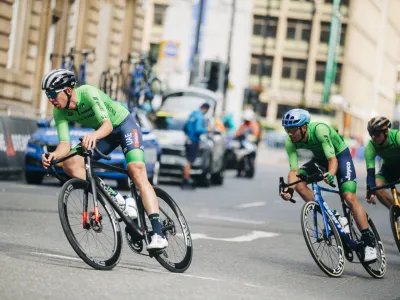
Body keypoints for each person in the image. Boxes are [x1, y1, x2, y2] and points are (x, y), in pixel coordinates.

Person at [40, 69, 168, 251]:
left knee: (136, 171)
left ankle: (158, 234)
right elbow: (64, 145)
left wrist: (93, 135)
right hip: (104, 134)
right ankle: (119, 200)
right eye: (47, 95)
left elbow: (107, 125)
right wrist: (53, 156)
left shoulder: (88, 93)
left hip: (123, 125)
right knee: (70, 163)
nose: (50, 99)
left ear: (68, 90)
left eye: (52, 94)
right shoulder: (59, 111)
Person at [279, 108, 377, 262]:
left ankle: (369, 242)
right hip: (320, 160)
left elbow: (333, 161)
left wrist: (330, 174)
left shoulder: (319, 130)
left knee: (349, 197)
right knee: (298, 183)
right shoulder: (290, 141)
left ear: (303, 127)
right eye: (287, 130)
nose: (289, 134)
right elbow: (293, 171)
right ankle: (335, 216)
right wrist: (289, 189)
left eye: (292, 130)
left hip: (340, 157)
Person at [364, 116, 399, 209]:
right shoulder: (370, 147)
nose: (373, 137)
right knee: (377, 186)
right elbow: (370, 173)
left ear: (386, 132)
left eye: (376, 133)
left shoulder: (397, 136)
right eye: (371, 134)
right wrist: (370, 190)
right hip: (389, 168)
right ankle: (396, 211)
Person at [182, 103, 210, 189]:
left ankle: (186, 178)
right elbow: (198, 129)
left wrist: (187, 135)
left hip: (188, 140)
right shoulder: (200, 116)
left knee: (188, 160)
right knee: (189, 161)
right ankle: (186, 180)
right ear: (206, 109)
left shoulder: (193, 114)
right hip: (194, 140)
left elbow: (185, 127)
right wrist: (207, 130)